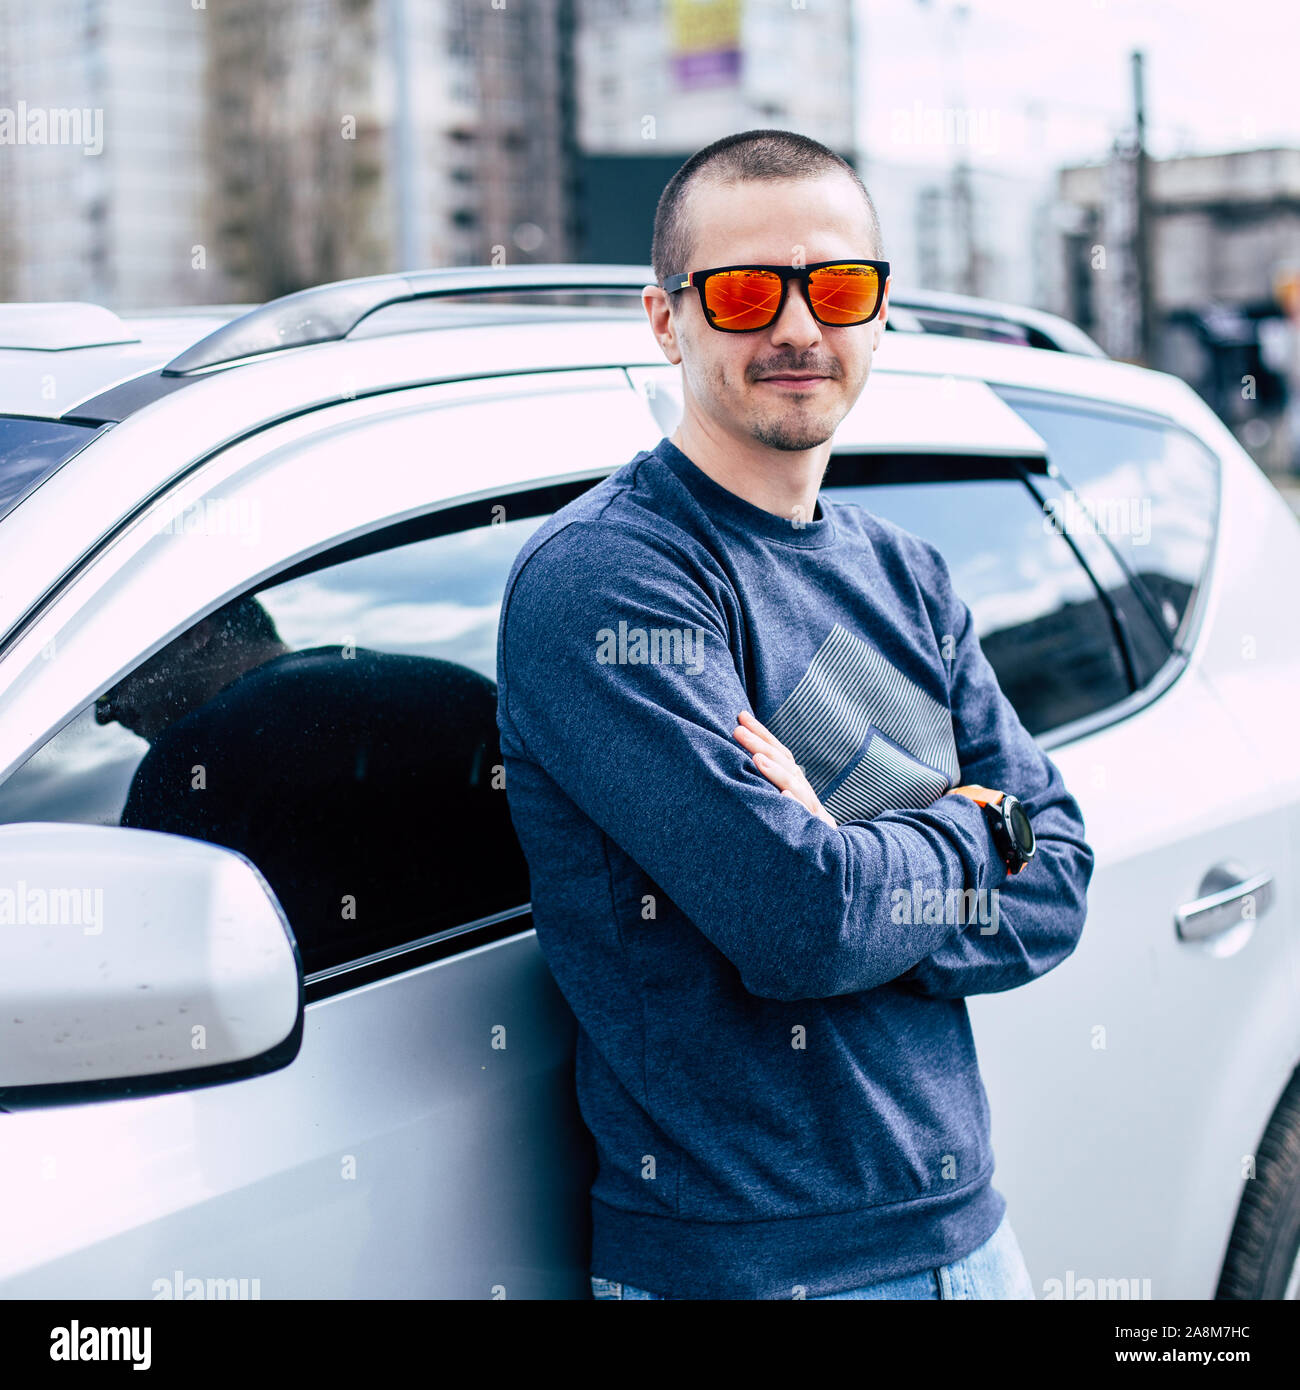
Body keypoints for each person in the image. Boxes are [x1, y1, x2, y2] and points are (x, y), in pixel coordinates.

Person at [495, 129, 1094, 1300]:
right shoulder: (610, 582)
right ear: (666, 319)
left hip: (971, 1239)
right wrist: (977, 828)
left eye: (836, 288)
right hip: (749, 1271)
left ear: (879, 311)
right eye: (743, 293)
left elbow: (1059, 879)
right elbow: (801, 921)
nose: (797, 328)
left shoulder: (906, 573)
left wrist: (857, 862)